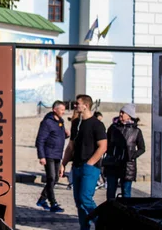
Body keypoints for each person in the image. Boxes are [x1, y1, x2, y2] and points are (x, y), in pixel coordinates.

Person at [60, 95, 107, 230]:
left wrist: (90, 163)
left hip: (90, 168)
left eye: (77, 103)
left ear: (86, 105)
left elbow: (103, 146)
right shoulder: (76, 123)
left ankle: (102, 223)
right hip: (77, 167)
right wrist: (63, 164)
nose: (75, 106)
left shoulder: (97, 124)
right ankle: (84, 227)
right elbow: (70, 147)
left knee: (85, 198)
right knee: (79, 202)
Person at [104, 104, 145, 200]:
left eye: (123, 112)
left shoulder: (136, 131)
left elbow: (142, 148)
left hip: (128, 166)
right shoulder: (113, 128)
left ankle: (125, 213)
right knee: (111, 190)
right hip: (112, 163)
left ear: (129, 115)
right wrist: (110, 152)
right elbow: (106, 142)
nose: (121, 114)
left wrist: (131, 156)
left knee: (126, 192)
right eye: (120, 112)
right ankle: (110, 211)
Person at [35, 101, 69, 213]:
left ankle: (41, 199)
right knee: (51, 178)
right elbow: (40, 140)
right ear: (55, 109)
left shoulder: (60, 121)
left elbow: (56, 137)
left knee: (55, 179)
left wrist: (66, 135)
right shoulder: (47, 122)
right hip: (48, 154)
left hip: (57, 154)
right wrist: (41, 156)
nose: (63, 112)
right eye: (62, 110)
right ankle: (53, 203)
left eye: (64, 110)